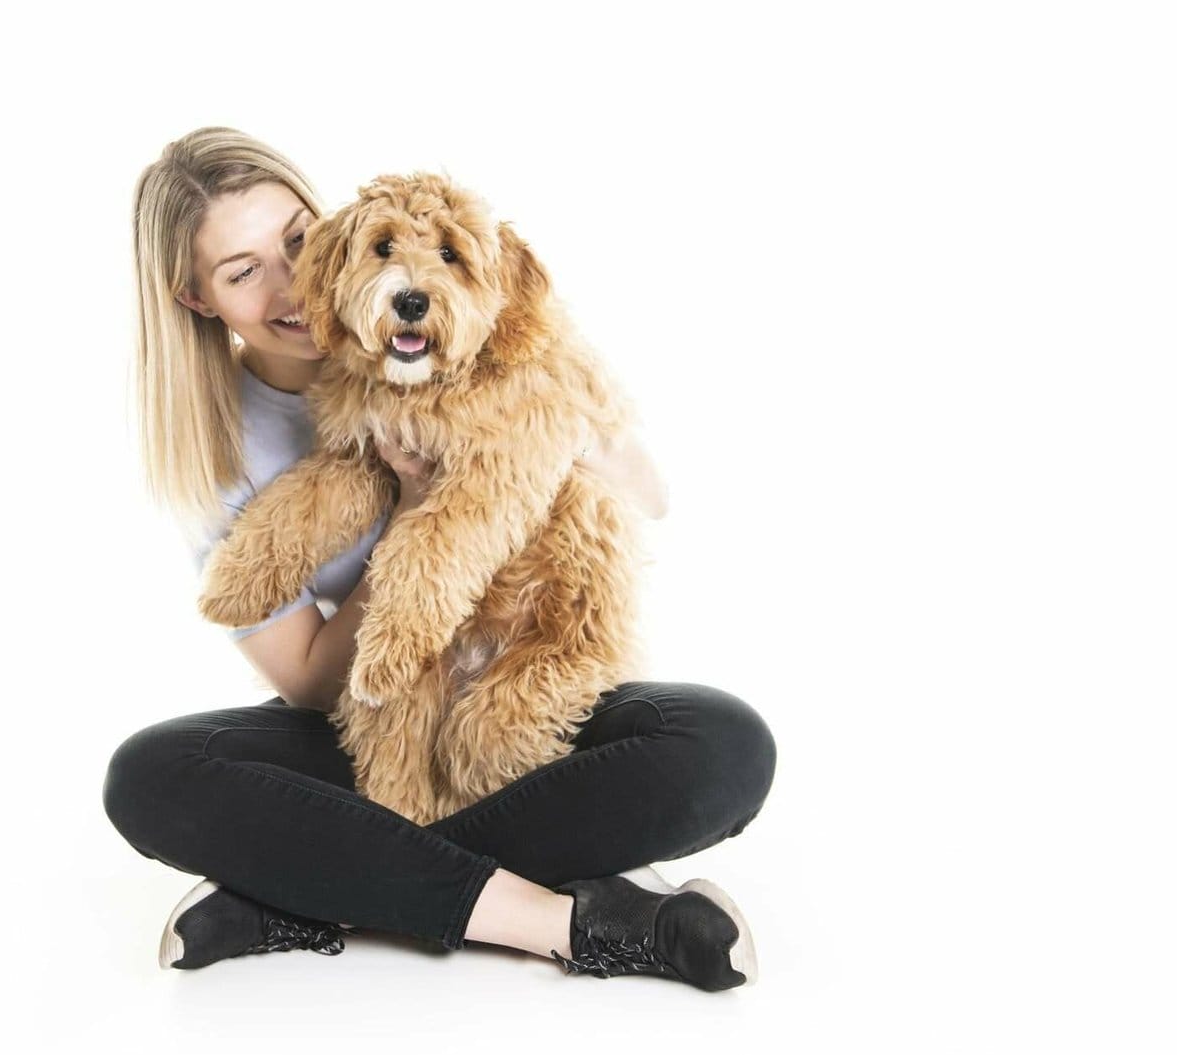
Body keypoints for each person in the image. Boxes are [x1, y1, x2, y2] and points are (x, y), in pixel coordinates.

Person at [103, 126, 777, 990]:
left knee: (722, 744)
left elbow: (651, 494)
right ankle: (576, 921)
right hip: (371, 711)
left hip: (521, 685)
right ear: (197, 301)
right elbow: (311, 684)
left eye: (301, 243)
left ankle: (318, 891)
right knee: (152, 776)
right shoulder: (214, 450)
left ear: (334, 232)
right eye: (242, 272)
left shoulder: (480, 329)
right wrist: (414, 511)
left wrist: (546, 425)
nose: (294, 284)